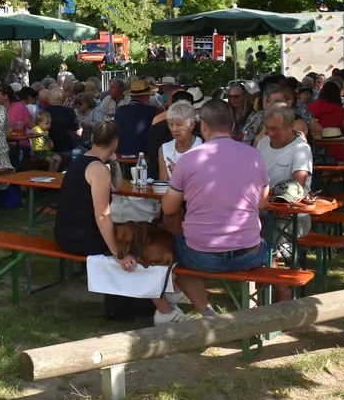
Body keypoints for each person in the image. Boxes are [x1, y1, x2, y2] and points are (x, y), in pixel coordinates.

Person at [55, 120, 186, 325]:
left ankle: (167, 293)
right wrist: (118, 253)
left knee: (134, 245)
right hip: (79, 236)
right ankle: (165, 310)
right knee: (137, 252)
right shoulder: (98, 170)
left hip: (65, 231)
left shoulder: (85, 161)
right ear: (116, 142)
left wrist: (113, 160)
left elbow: (115, 186)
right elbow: (103, 216)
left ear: (92, 139)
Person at [160, 99, 279, 315]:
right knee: (269, 250)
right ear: (233, 126)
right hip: (249, 252)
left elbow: (168, 209)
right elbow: (262, 202)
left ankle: (206, 311)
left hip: (202, 255)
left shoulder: (188, 160)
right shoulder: (254, 155)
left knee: (177, 256)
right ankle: (270, 304)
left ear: (203, 125)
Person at [158, 97, 204, 182]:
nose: (174, 129)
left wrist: (180, 175)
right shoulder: (164, 149)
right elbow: (163, 185)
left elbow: (203, 184)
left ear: (192, 126)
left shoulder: (202, 148)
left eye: (179, 125)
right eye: (171, 125)